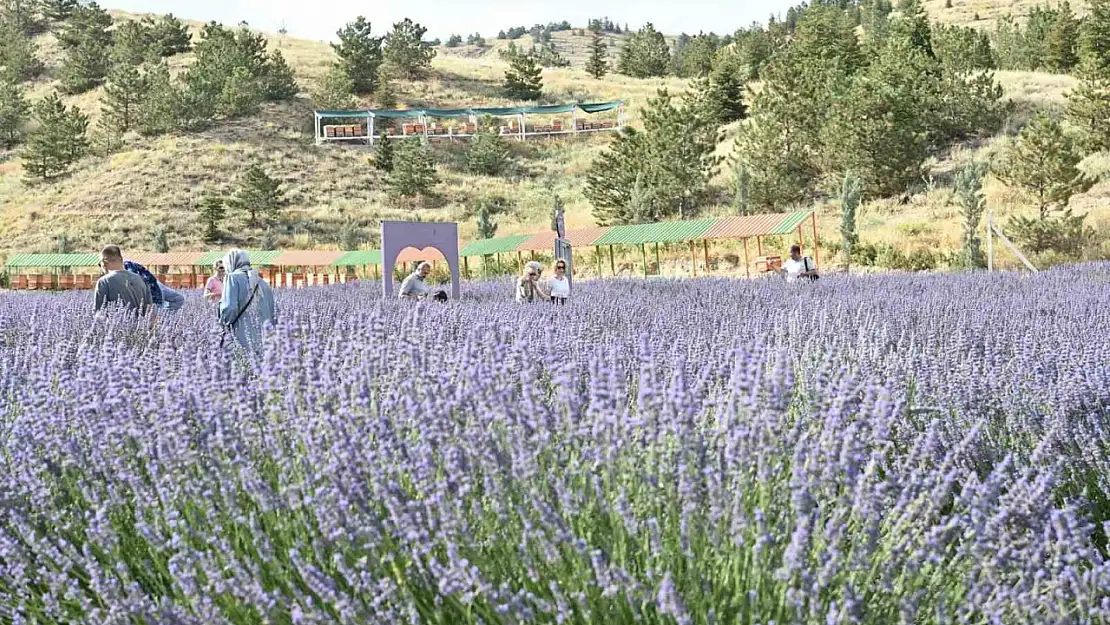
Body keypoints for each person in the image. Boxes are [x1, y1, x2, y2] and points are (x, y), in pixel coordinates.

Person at [218, 249, 277, 351]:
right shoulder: (262, 283)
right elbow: (273, 313)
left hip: (241, 338)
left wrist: (223, 324)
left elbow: (229, 308)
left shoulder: (232, 278)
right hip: (265, 341)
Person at [94, 245, 153, 314]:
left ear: (104, 262)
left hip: (116, 323)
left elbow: (99, 313)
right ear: (121, 259)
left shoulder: (104, 281)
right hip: (141, 324)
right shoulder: (140, 279)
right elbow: (149, 310)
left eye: (100, 264)